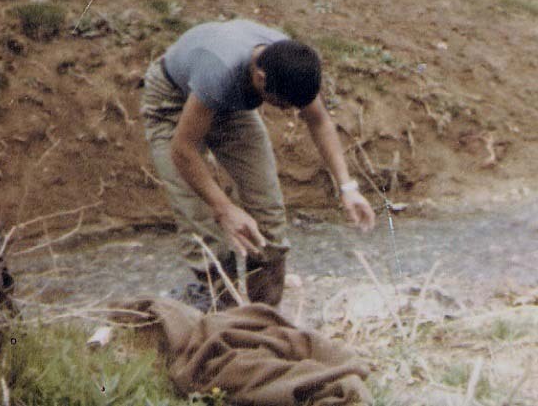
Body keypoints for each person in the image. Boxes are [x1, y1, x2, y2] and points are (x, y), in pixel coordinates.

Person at [141, 19, 376, 311]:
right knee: (201, 223)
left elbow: (319, 121)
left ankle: (264, 319)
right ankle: (223, 315)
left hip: (229, 103)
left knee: (268, 216)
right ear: (261, 78)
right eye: (282, 105)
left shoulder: (291, 64)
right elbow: (182, 150)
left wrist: (347, 188)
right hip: (172, 101)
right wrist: (224, 208)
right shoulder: (220, 71)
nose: (289, 112)